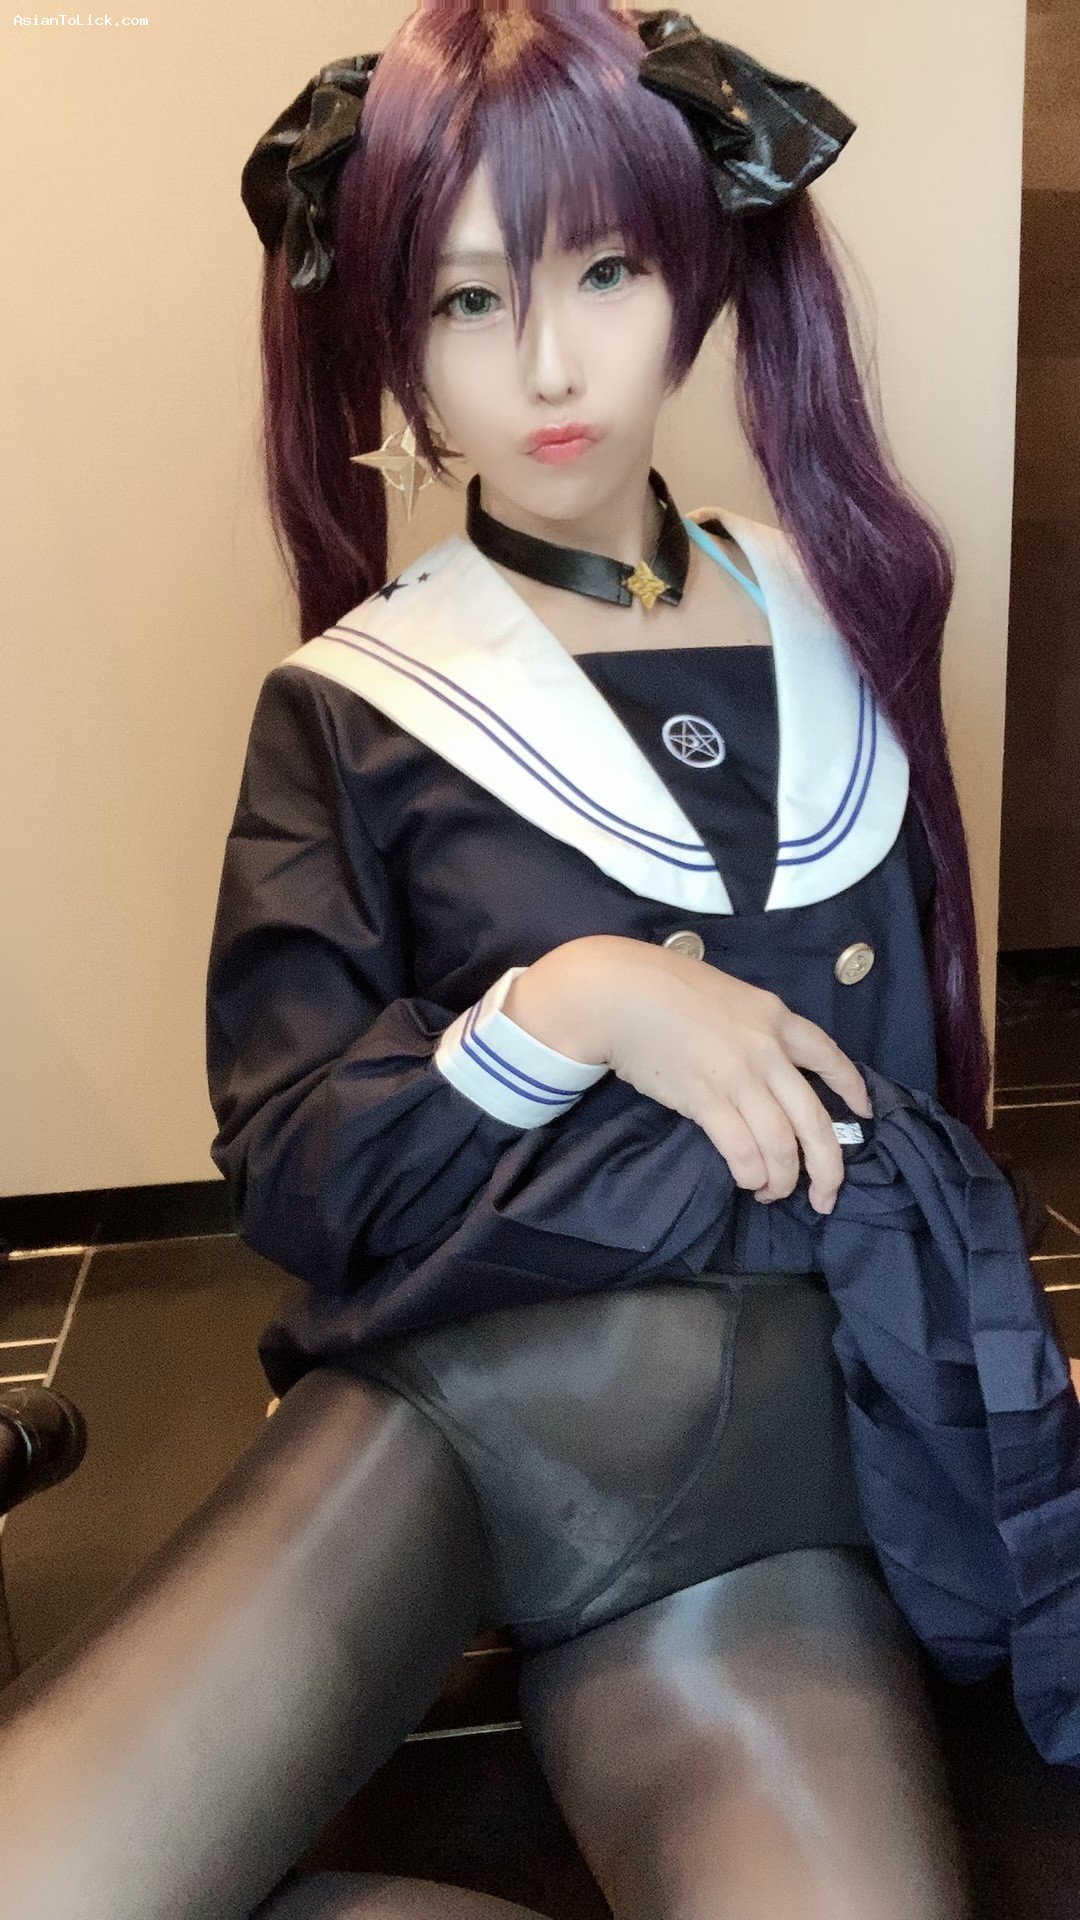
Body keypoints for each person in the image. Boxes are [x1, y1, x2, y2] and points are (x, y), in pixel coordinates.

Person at [231, 4, 987, 1914]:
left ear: (695, 276)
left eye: (607, 270)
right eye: (469, 300)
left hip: (773, 1471)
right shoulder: (356, 703)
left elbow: (916, 1088)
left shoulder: (846, 611)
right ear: (390, 334)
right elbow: (300, 1170)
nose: (551, 365)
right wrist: (568, 1006)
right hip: (444, 1406)